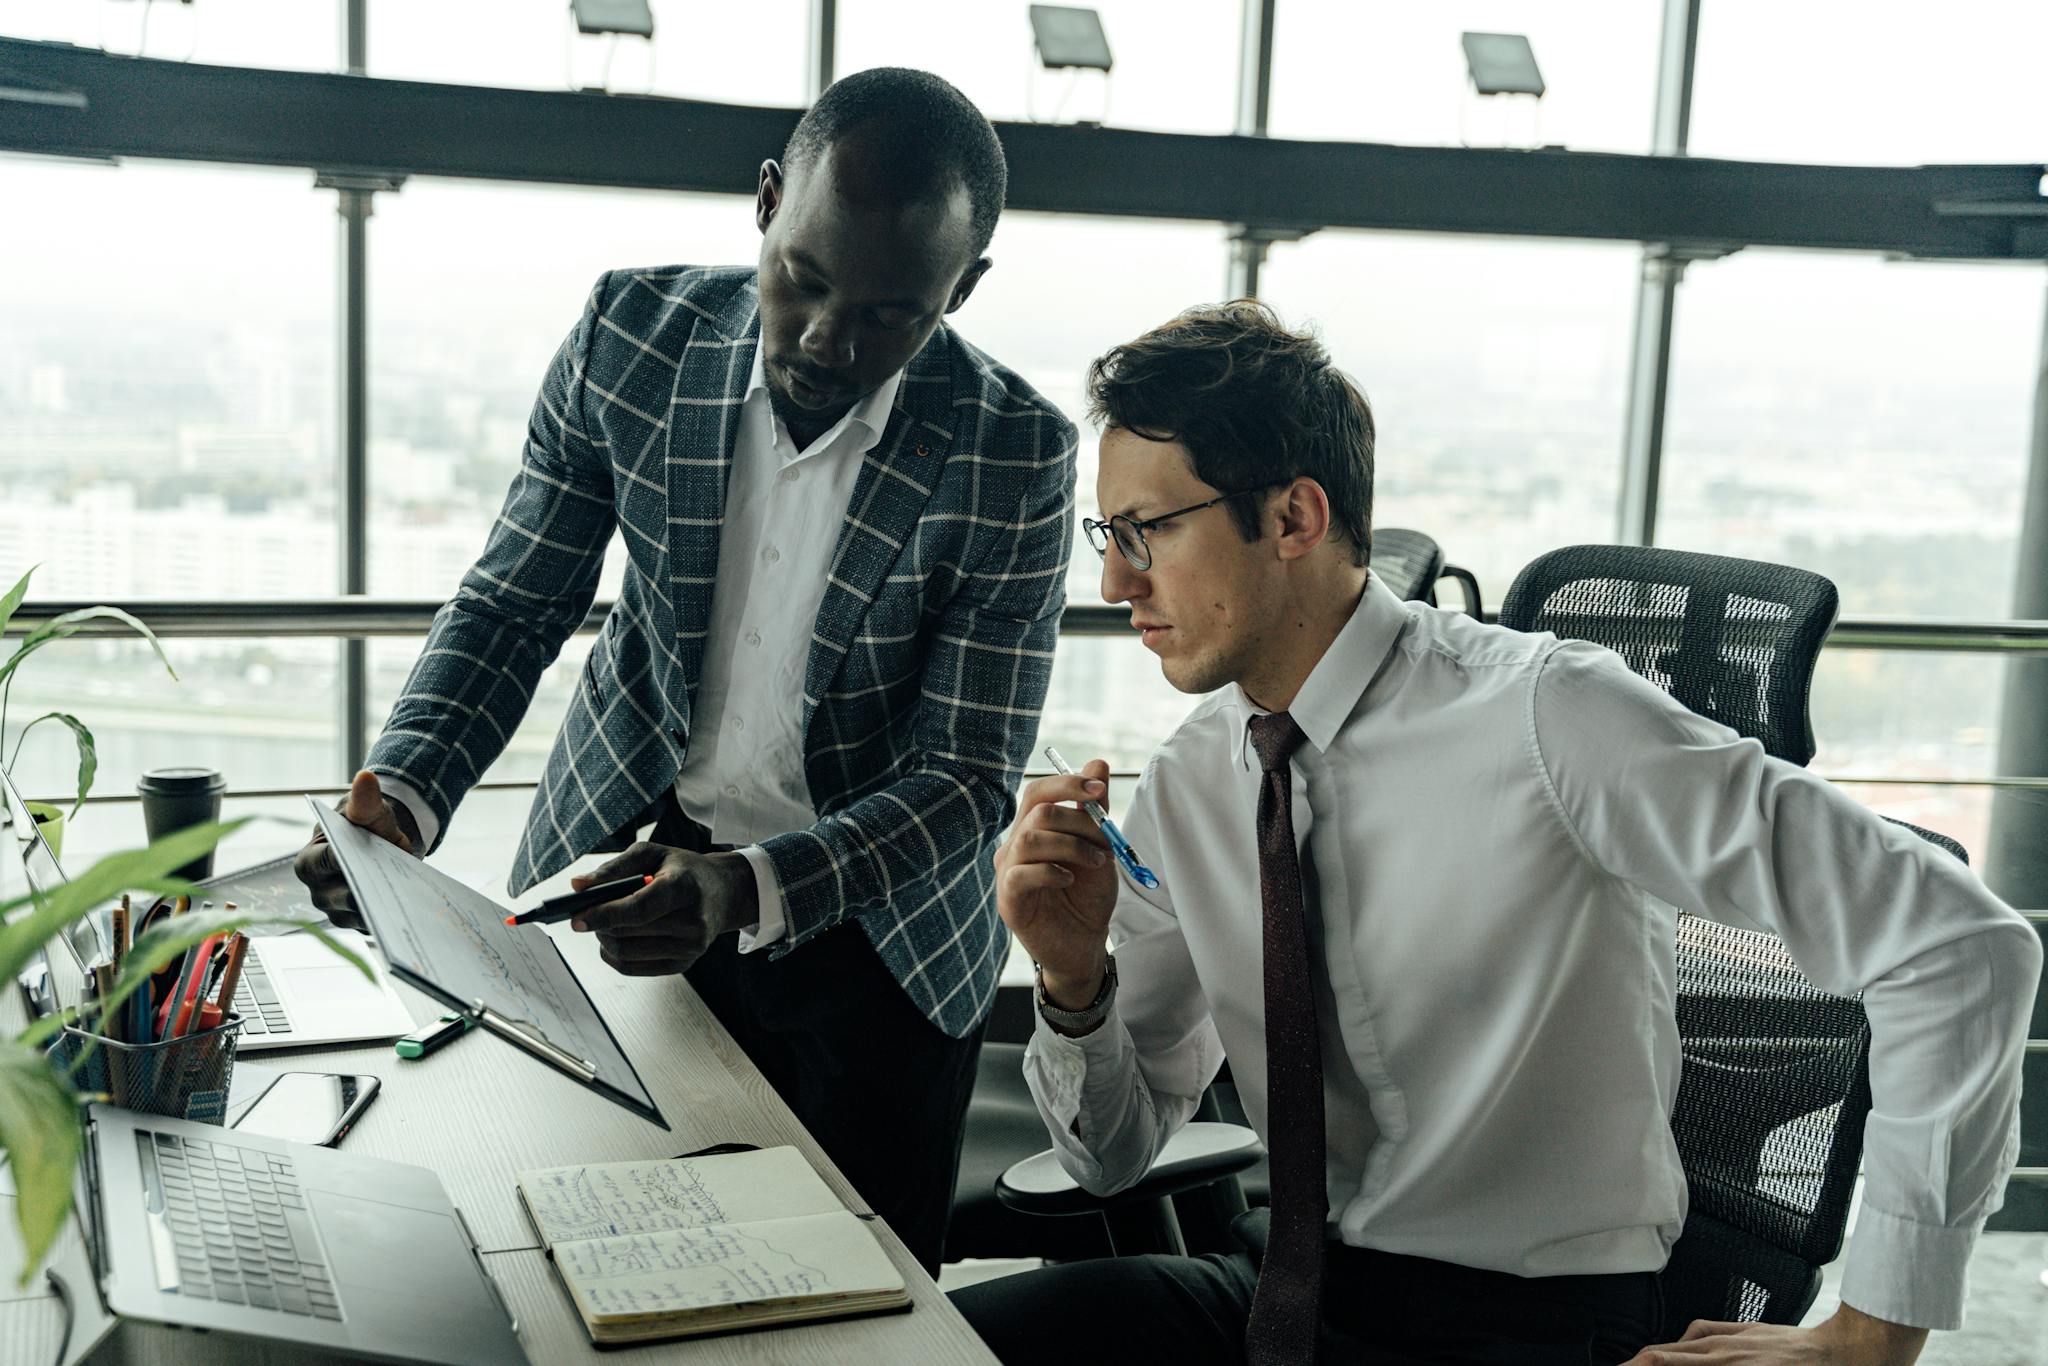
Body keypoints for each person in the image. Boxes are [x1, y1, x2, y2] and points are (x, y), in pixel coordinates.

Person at [951, 301, 2039, 1364]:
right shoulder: (1198, 774)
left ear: (1292, 519)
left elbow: (1959, 943)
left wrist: (1869, 1334)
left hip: (1526, 1321)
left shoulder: (1545, 715)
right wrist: (1068, 976)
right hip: (1290, 1290)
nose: (1110, 580)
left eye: (1146, 530)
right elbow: (1109, 1162)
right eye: (1108, 532)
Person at [293, 68, 1077, 1275]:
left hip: (880, 939)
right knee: (575, 1247)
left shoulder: (1011, 453)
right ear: (766, 203)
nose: (827, 339)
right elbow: (513, 604)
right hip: (623, 867)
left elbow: (966, 779)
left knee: (852, 1309)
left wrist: (747, 887)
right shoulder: (632, 340)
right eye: (804, 281)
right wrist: (400, 795)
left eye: (888, 314)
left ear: (960, 291)